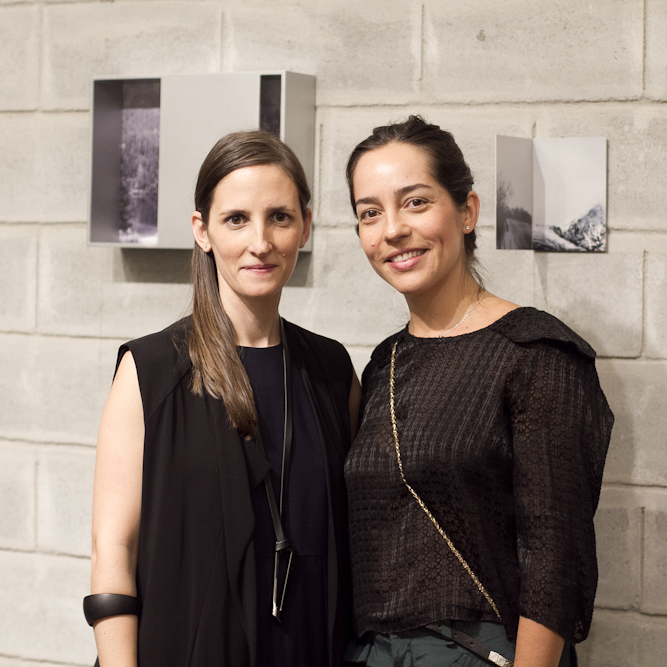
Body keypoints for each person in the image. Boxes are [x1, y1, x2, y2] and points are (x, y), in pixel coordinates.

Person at [342, 116, 613, 667]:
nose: (392, 229)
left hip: (482, 652)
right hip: (373, 653)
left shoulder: (534, 351)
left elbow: (555, 559)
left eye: (415, 202)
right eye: (370, 212)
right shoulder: (382, 363)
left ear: (467, 211)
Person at [87, 130, 361, 667]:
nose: (261, 241)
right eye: (236, 219)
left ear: (305, 227)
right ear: (202, 230)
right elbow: (112, 550)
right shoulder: (150, 370)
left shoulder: (332, 371)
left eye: (279, 217)